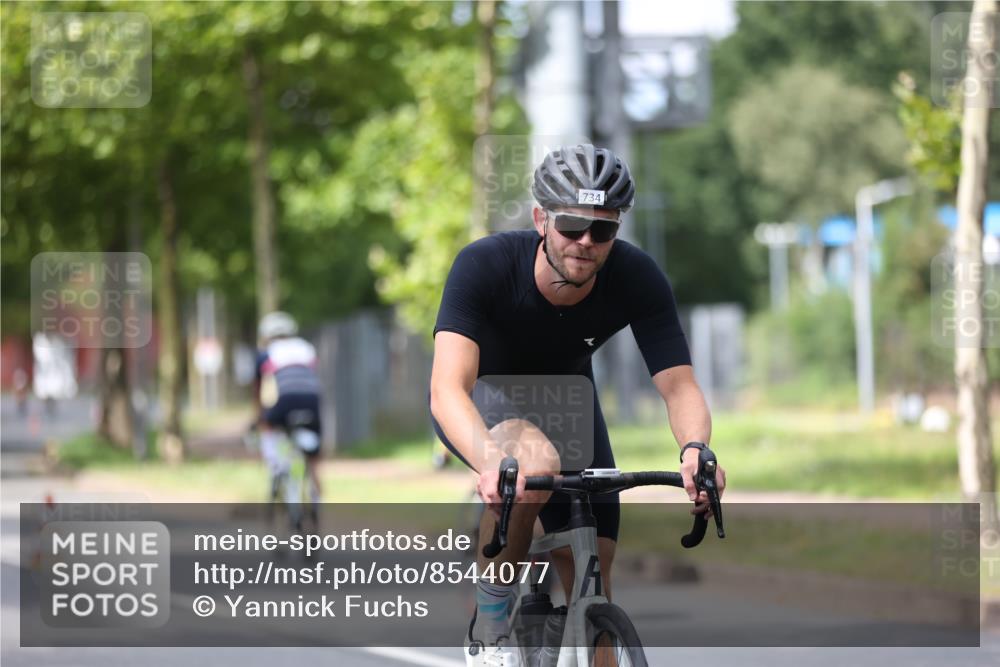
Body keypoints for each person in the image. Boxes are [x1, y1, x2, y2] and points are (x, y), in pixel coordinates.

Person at [429, 143, 726, 665]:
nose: (586, 242)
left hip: (568, 405)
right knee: (531, 464)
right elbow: (447, 388)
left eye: (603, 230)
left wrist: (695, 450)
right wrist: (492, 461)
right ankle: (491, 624)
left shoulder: (636, 276)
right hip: (485, 399)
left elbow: (679, 386)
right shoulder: (485, 264)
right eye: (571, 226)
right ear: (541, 219)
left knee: (593, 569)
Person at [255, 312, 324, 515]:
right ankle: (315, 490)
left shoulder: (266, 353)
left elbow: (259, 389)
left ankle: (276, 466)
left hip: (284, 400)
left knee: (270, 427)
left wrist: (260, 416)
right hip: (311, 401)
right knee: (313, 454)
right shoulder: (306, 348)